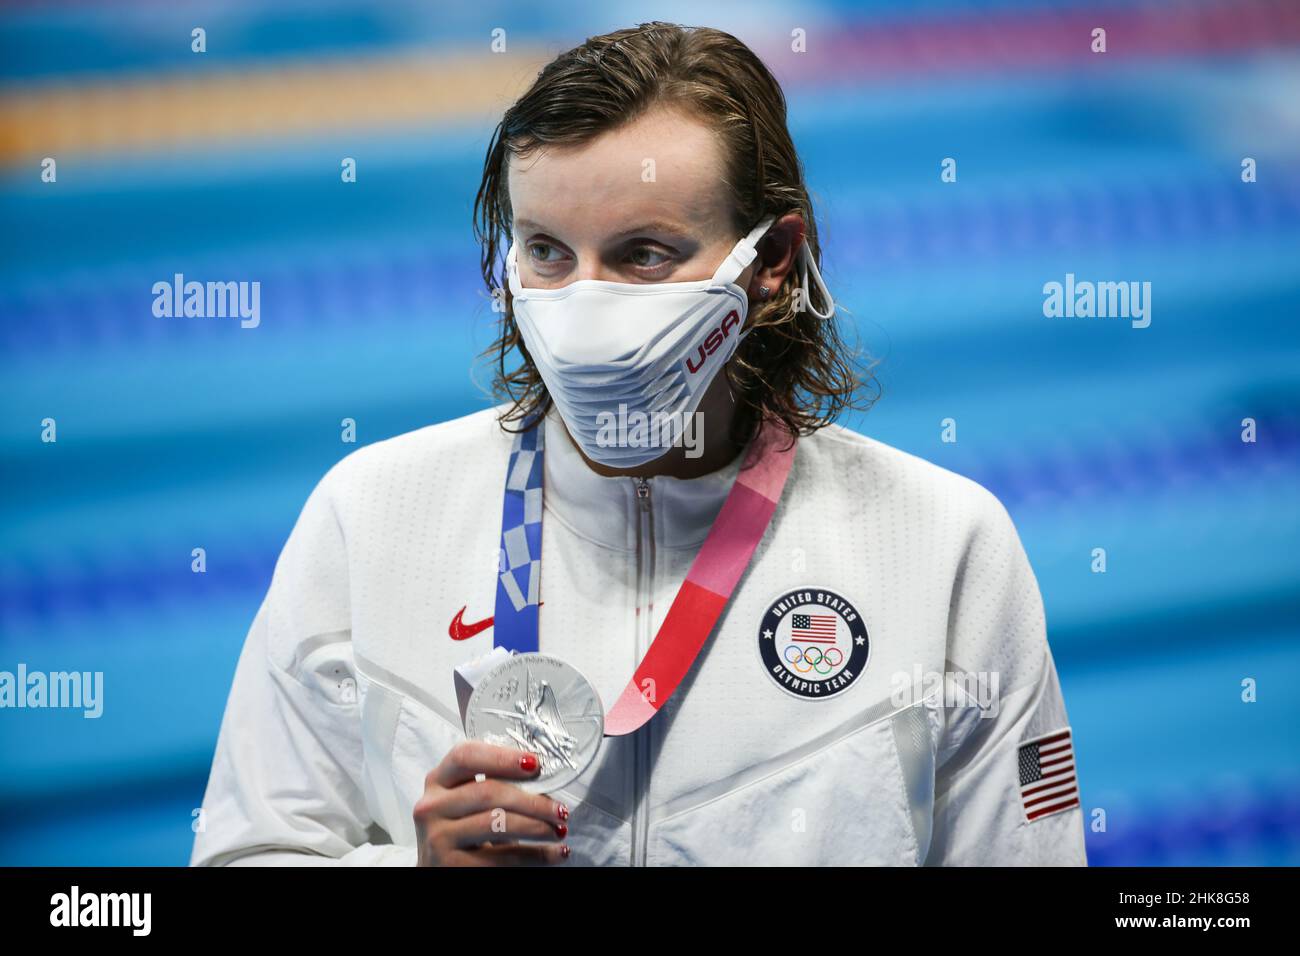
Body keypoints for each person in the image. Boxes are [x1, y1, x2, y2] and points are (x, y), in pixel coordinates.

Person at [190, 21, 1087, 867]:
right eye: (547, 251)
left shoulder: (942, 548)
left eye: (644, 255)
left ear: (772, 261)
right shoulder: (374, 517)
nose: (584, 309)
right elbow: (244, 850)